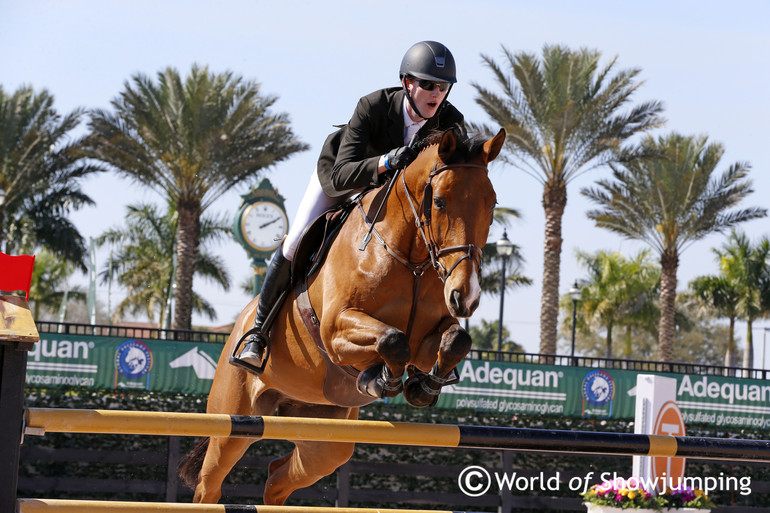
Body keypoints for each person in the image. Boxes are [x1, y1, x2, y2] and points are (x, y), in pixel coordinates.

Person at [232, 40, 466, 372]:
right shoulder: (372, 106)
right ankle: (257, 334)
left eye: (443, 86)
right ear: (407, 83)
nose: (436, 93)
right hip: (345, 176)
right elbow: (342, 174)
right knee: (296, 239)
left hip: (395, 199)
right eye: (427, 84)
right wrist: (386, 161)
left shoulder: (450, 122)